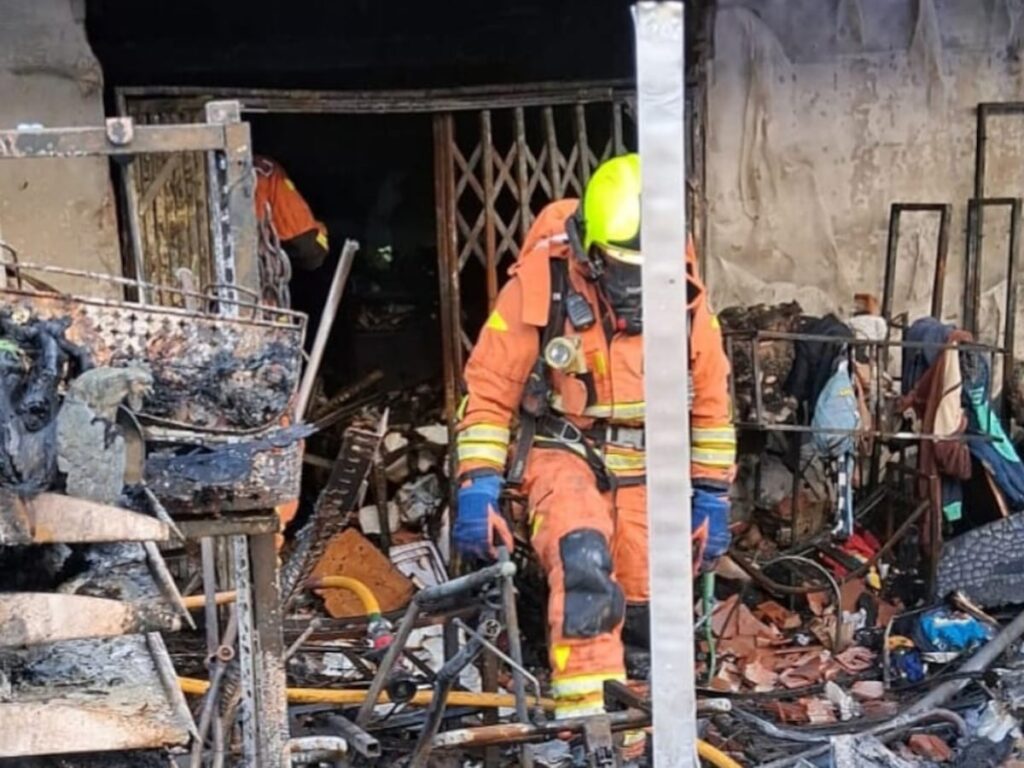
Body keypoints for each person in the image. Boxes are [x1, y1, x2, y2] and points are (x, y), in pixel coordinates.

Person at [453, 153, 736, 718]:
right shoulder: (542, 286)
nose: (636, 285)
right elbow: (489, 392)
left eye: (646, 270)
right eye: (623, 268)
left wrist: (712, 495)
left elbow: (710, 405)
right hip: (565, 451)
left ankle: (647, 723)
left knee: (651, 600)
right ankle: (589, 724)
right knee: (582, 560)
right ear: (589, 249)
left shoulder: (685, 300)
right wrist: (478, 485)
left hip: (647, 462)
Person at [253, 156, 330, 306]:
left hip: (297, 235)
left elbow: (256, 222)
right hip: (296, 236)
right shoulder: (264, 168)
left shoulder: (257, 172)